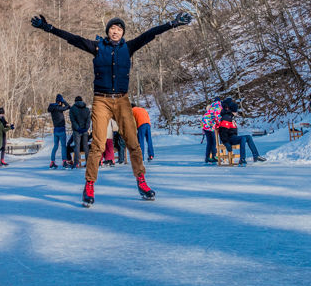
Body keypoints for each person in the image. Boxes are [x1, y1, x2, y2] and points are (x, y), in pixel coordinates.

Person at [31, 11, 192, 206]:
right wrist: (49, 28)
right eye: (113, 28)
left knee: (133, 142)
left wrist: (172, 24)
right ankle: (89, 184)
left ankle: (142, 182)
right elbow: (73, 39)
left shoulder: (129, 47)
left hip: (123, 100)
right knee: (98, 143)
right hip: (101, 100)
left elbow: (151, 34)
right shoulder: (97, 47)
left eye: (119, 29)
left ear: (123, 33)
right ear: (108, 31)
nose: (116, 31)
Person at [217, 98, 266, 166]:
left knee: (248, 137)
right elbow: (222, 132)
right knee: (243, 138)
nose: (237, 112)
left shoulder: (230, 117)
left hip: (233, 137)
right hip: (229, 139)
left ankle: (256, 156)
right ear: (232, 111)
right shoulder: (226, 118)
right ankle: (242, 159)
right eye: (236, 111)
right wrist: (226, 143)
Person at [48, 94, 71, 168]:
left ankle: (52, 161)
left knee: (55, 146)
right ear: (60, 101)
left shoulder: (52, 108)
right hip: (61, 129)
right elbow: (68, 106)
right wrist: (64, 101)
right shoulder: (59, 108)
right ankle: (64, 161)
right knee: (63, 146)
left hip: (55, 130)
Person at [69, 96, 91, 168]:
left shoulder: (72, 109)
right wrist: (86, 128)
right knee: (85, 146)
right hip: (84, 130)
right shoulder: (87, 109)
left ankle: (77, 163)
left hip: (76, 131)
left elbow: (73, 121)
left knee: (77, 146)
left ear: (75, 101)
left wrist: (78, 128)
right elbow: (88, 120)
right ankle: (88, 162)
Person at [201, 97, 222, 163]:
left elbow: (206, 116)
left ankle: (207, 158)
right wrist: (219, 123)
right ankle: (214, 156)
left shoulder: (211, 107)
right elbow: (218, 117)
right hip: (210, 125)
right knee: (214, 142)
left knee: (209, 142)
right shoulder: (218, 107)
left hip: (204, 125)